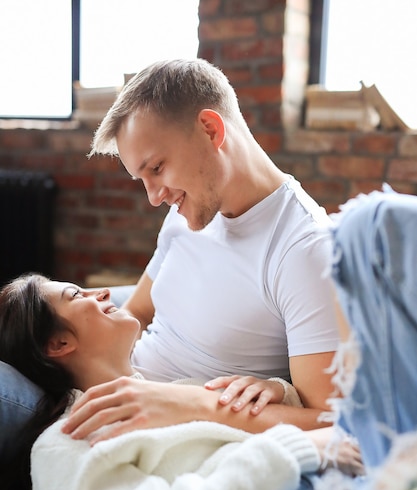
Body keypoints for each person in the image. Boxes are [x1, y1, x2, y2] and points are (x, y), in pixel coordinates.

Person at [0, 272, 357, 490]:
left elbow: (324, 422)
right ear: (59, 342)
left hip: (344, 487)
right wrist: (294, 449)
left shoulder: (179, 393)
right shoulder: (67, 442)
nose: (104, 292)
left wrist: (277, 391)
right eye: (77, 294)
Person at [60, 56, 340, 441]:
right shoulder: (189, 208)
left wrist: (187, 403)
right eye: (142, 178)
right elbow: (139, 310)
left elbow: (332, 423)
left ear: (210, 130)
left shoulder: (304, 250)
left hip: (169, 428)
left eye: (156, 168)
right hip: (112, 390)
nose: (154, 197)